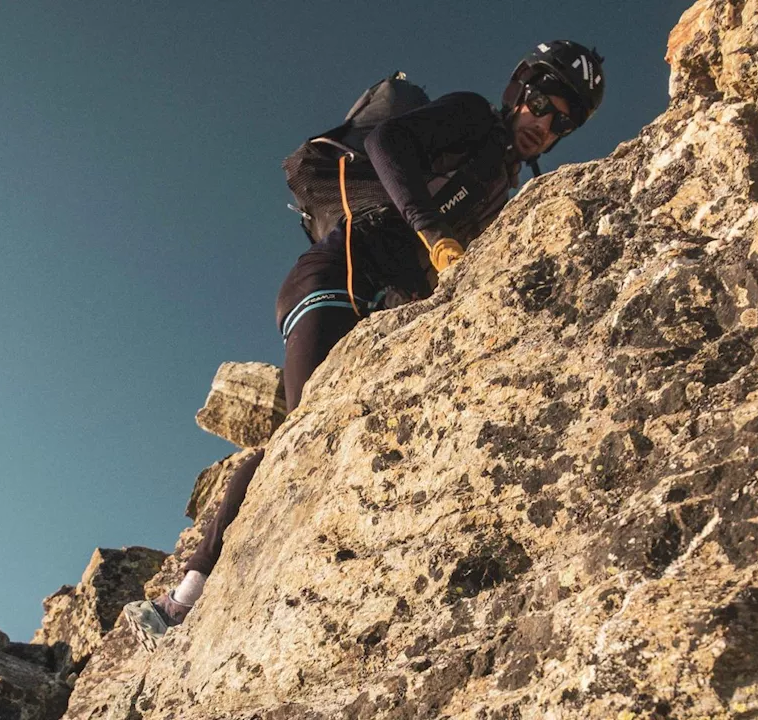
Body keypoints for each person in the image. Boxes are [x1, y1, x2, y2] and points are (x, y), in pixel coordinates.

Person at [125, 40, 605, 639]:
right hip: (335, 273)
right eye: (541, 103)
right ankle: (181, 600)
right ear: (518, 92)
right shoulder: (473, 117)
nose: (545, 124)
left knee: (321, 436)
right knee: (300, 434)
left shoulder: (502, 181)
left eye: (564, 121)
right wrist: (433, 232)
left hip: (378, 297)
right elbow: (385, 143)